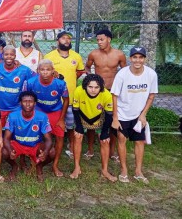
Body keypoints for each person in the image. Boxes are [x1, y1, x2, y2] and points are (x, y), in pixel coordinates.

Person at [111, 47, 158, 184]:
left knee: (139, 141)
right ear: (130, 59)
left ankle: (138, 171)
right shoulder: (122, 74)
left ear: (144, 59)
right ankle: (124, 170)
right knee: (121, 138)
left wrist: (143, 115)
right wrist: (115, 117)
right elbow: (114, 96)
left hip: (138, 115)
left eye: (141, 57)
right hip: (122, 114)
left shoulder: (151, 74)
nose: (138, 60)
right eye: (135, 57)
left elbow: (151, 95)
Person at [85, 29, 127, 161]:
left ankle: (112, 151)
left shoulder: (119, 55)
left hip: (112, 92)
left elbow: (124, 71)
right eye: (97, 40)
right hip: (97, 91)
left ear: (109, 39)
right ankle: (90, 149)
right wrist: (91, 77)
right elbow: (87, 67)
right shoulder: (93, 54)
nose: (99, 42)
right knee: (91, 119)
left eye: (101, 39)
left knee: (112, 121)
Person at [44, 31, 85, 159]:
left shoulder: (76, 56)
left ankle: (71, 147)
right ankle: (49, 147)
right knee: (49, 125)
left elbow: (79, 72)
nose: (66, 41)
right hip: (53, 99)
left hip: (71, 98)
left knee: (70, 125)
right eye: (63, 38)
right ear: (58, 41)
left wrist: (69, 80)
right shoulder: (49, 56)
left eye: (68, 38)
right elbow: (44, 73)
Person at [70, 74, 116, 181]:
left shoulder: (106, 94)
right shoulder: (78, 91)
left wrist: (105, 132)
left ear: (101, 87)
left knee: (105, 140)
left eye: (96, 87)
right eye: (90, 87)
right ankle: (77, 167)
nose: (93, 90)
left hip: (99, 117)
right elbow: (75, 110)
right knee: (77, 136)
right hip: (82, 116)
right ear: (85, 86)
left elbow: (109, 115)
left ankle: (104, 170)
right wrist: (79, 127)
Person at [27, 59, 69, 177]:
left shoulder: (60, 84)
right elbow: (26, 99)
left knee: (60, 137)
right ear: (38, 71)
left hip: (55, 112)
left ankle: (55, 165)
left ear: (53, 71)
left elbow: (66, 100)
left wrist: (61, 119)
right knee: (36, 137)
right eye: (42, 69)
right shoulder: (31, 82)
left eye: (48, 69)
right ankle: (34, 163)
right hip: (39, 112)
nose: (45, 72)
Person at [2, 91, 54, 182]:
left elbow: (49, 140)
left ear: (35, 103)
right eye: (25, 101)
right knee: (4, 152)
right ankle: (14, 166)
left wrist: (45, 152)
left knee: (52, 152)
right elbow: (6, 138)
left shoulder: (42, 117)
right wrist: (11, 151)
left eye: (30, 101)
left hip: (35, 145)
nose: (27, 104)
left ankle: (39, 166)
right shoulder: (13, 116)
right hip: (18, 144)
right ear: (20, 103)